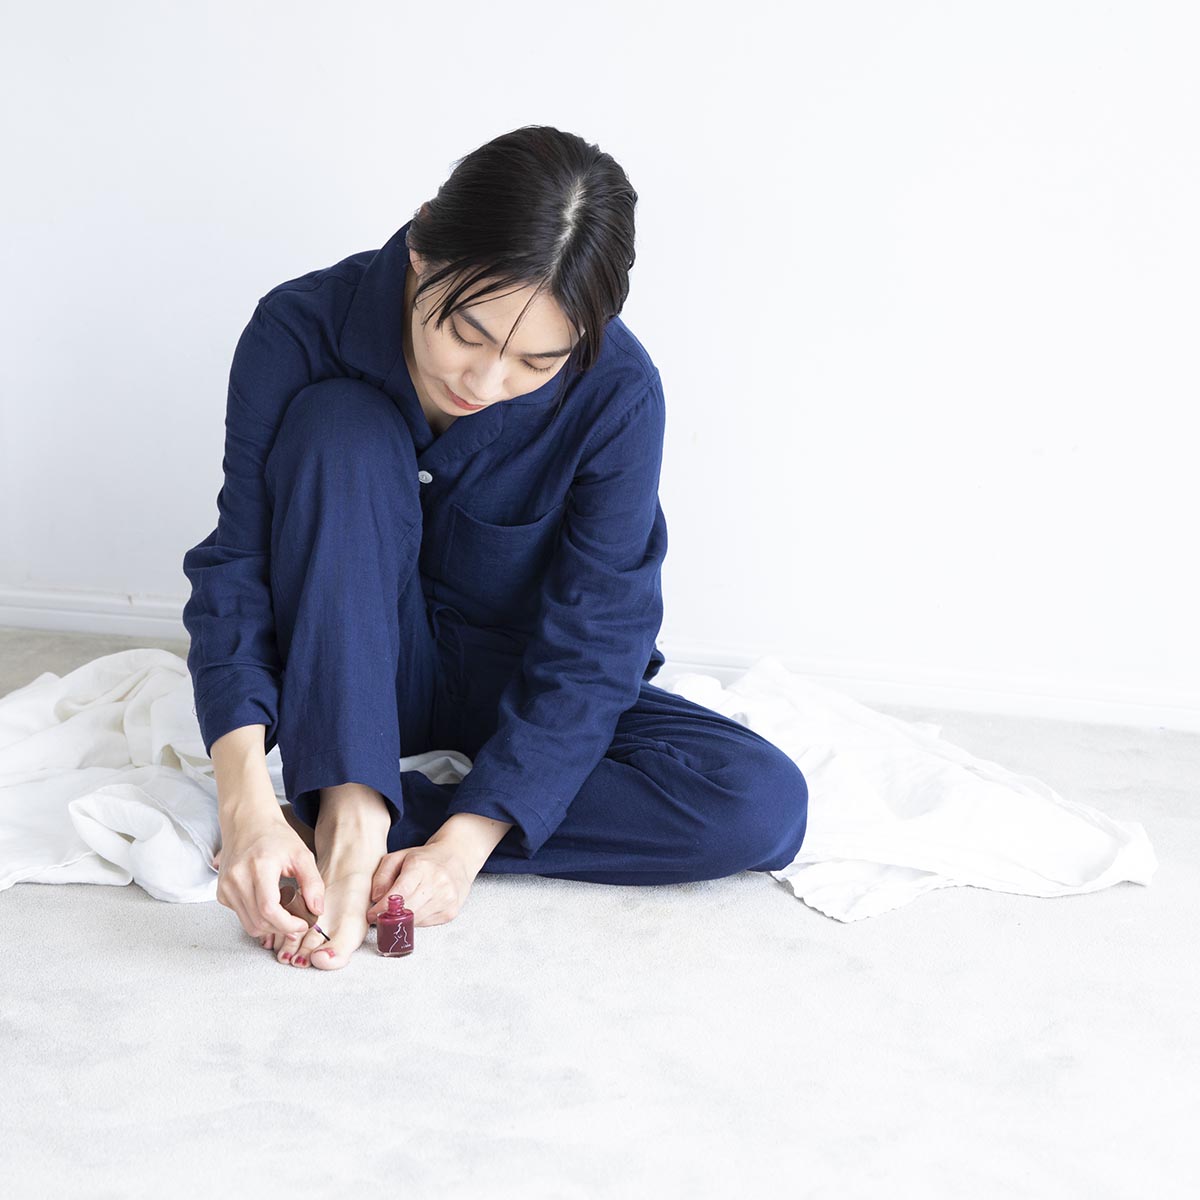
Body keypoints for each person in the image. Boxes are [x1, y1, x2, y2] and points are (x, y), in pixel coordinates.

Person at [182, 125, 808, 972]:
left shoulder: (618, 391)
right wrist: (243, 803)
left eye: (535, 364)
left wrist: (465, 844)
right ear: (421, 246)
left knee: (757, 803)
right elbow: (238, 569)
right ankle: (349, 803)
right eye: (466, 333)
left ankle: (360, 820)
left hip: (516, 692)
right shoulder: (299, 328)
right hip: (347, 678)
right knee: (339, 426)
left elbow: (600, 635)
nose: (483, 382)